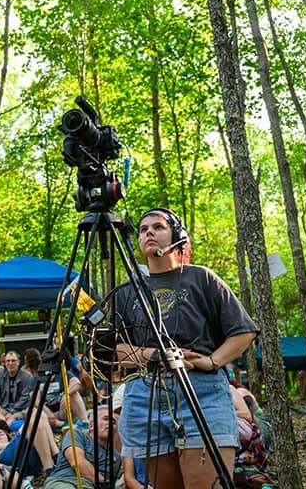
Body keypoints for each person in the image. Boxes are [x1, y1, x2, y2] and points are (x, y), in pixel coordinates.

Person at [114, 207, 258, 487]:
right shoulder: (126, 290)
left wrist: (212, 361)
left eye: (157, 227)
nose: (149, 233)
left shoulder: (201, 278)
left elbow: (244, 331)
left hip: (202, 391)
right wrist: (156, 355)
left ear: (177, 236)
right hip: (146, 395)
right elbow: (113, 349)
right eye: (143, 230)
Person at [43, 407, 121, 489]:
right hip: (65, 481)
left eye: (114, 422)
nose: (110, 423)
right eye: (105, 419)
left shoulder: (116, 457)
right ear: (91, 425)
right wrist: (102, 482)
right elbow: (76, 462)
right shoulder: (77, 434)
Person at [0, 351, 36, 424]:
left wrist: (11, 412)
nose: (10, 363)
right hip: (3, 408)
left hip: (21, 409)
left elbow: (25, 397)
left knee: (14, 419)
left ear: (18, 362)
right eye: (8, 361)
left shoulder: (27, 377)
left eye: (13, 361)